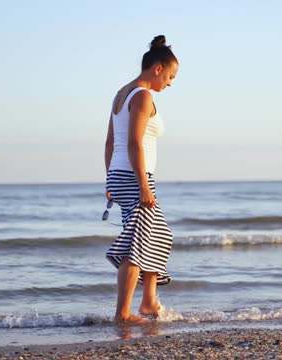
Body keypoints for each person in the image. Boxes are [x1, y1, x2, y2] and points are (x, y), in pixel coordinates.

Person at [104, 35, 178, 324]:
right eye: (170, 76)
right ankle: (123, 313)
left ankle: (148, 302)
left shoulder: (121, 94)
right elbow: (134, 143)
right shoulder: (143, 96)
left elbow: (110, 142)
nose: (170, 83)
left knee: (159, 236)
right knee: (136, 245)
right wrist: (144, 185)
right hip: (136, 177)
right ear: (157, 68)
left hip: (122, 175)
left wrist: (109, 179)